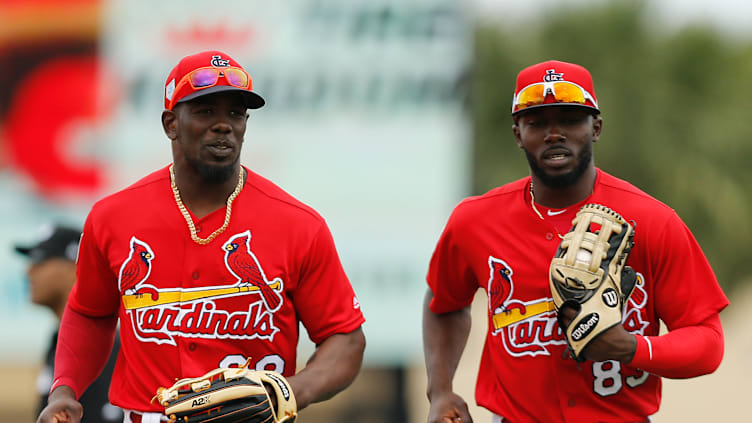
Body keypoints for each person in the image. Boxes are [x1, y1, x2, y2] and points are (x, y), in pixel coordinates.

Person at [36, 50, 366, 423]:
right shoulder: (114, 217)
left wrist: (295, 390)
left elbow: (345, 338)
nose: (224, 124)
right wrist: (64, 389)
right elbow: (90, 313)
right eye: (206, 111)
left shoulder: (298, 224)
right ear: (171, 123)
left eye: (235, 113)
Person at [422, 60, 729, 423]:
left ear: (595, 127)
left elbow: (707, 343)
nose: (554, 133)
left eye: (569, 119)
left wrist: (631, 347)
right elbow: (444, 302)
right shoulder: (474, 221)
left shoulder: (652, 221)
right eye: (537, 122)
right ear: (518, 133)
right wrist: (440, 391)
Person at [15, 224, 123, 423]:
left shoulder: (103, 347)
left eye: (40, 260)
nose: (29, 270)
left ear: (73, 266)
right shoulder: (59, 341)